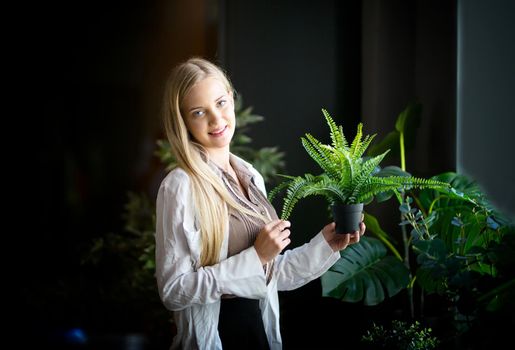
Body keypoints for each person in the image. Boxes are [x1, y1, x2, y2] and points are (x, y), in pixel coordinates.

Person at [155, 57, 366, 350]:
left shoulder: (250, 175)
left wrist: (326, 244)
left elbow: (271, 273)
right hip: (217, 339)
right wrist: (255, 257)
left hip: (259, 336)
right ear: (184, 122)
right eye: (199, 112)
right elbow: (173, 291)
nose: (216, 120)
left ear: (231, 98)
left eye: (220, 103)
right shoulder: (181, 185)